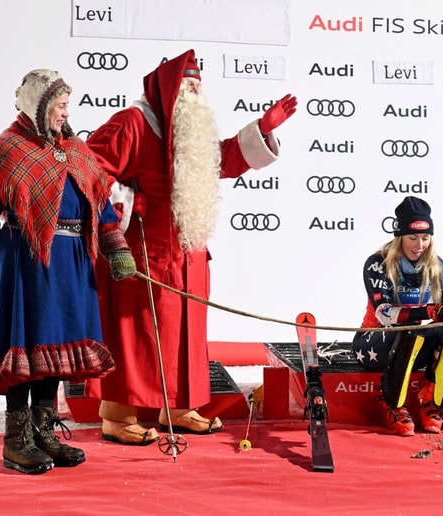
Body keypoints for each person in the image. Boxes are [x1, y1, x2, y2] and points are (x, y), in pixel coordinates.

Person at [84, 49, 297, 444]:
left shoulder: (189, 132)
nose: (196, 97)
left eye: (199, 88)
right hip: (142, 253)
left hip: (186, 255)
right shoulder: (132, 123)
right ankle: (116, 416)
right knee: (134, 336)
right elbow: (88, 172)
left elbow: (223, 161)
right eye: (188, 88)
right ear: (167, 91)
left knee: (185, 334)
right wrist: (129, 198)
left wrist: (262, 130)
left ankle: (178, 408)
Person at [0, 69, 137, 474]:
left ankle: (43, 431)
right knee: (28, 344)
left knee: (54, 349)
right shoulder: (5, 151)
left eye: (67, 104)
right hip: (28, 263)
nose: (65, 112)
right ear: (37, 106)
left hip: (72, 264)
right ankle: (16, 440)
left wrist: (116, 249)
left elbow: (101, 206)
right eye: (58, 104)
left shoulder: (76, 150)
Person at [352, 196, 443, 436]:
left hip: (415, 345)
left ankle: (430, 397)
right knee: (409, 332)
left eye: (425, 238)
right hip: (374, 343)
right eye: (412, 238)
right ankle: (393, 404)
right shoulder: (377, 263)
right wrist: (430, 311)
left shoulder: (437, 265)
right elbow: (384, 315)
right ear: (399, 236)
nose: (419, 245)